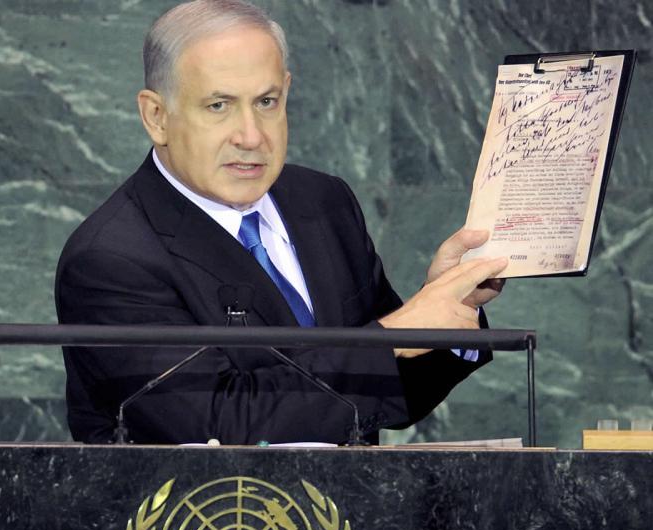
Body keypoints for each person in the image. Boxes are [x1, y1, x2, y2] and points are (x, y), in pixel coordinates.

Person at [55, 0, 507, 445]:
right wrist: (390, 338)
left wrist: (448, 313)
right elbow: (216, 424)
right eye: (218, 106)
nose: (251, 136)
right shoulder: (109, 258)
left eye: (267, 102)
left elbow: (384, 394)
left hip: (355, 511)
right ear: (157, 116)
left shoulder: (323, 202)